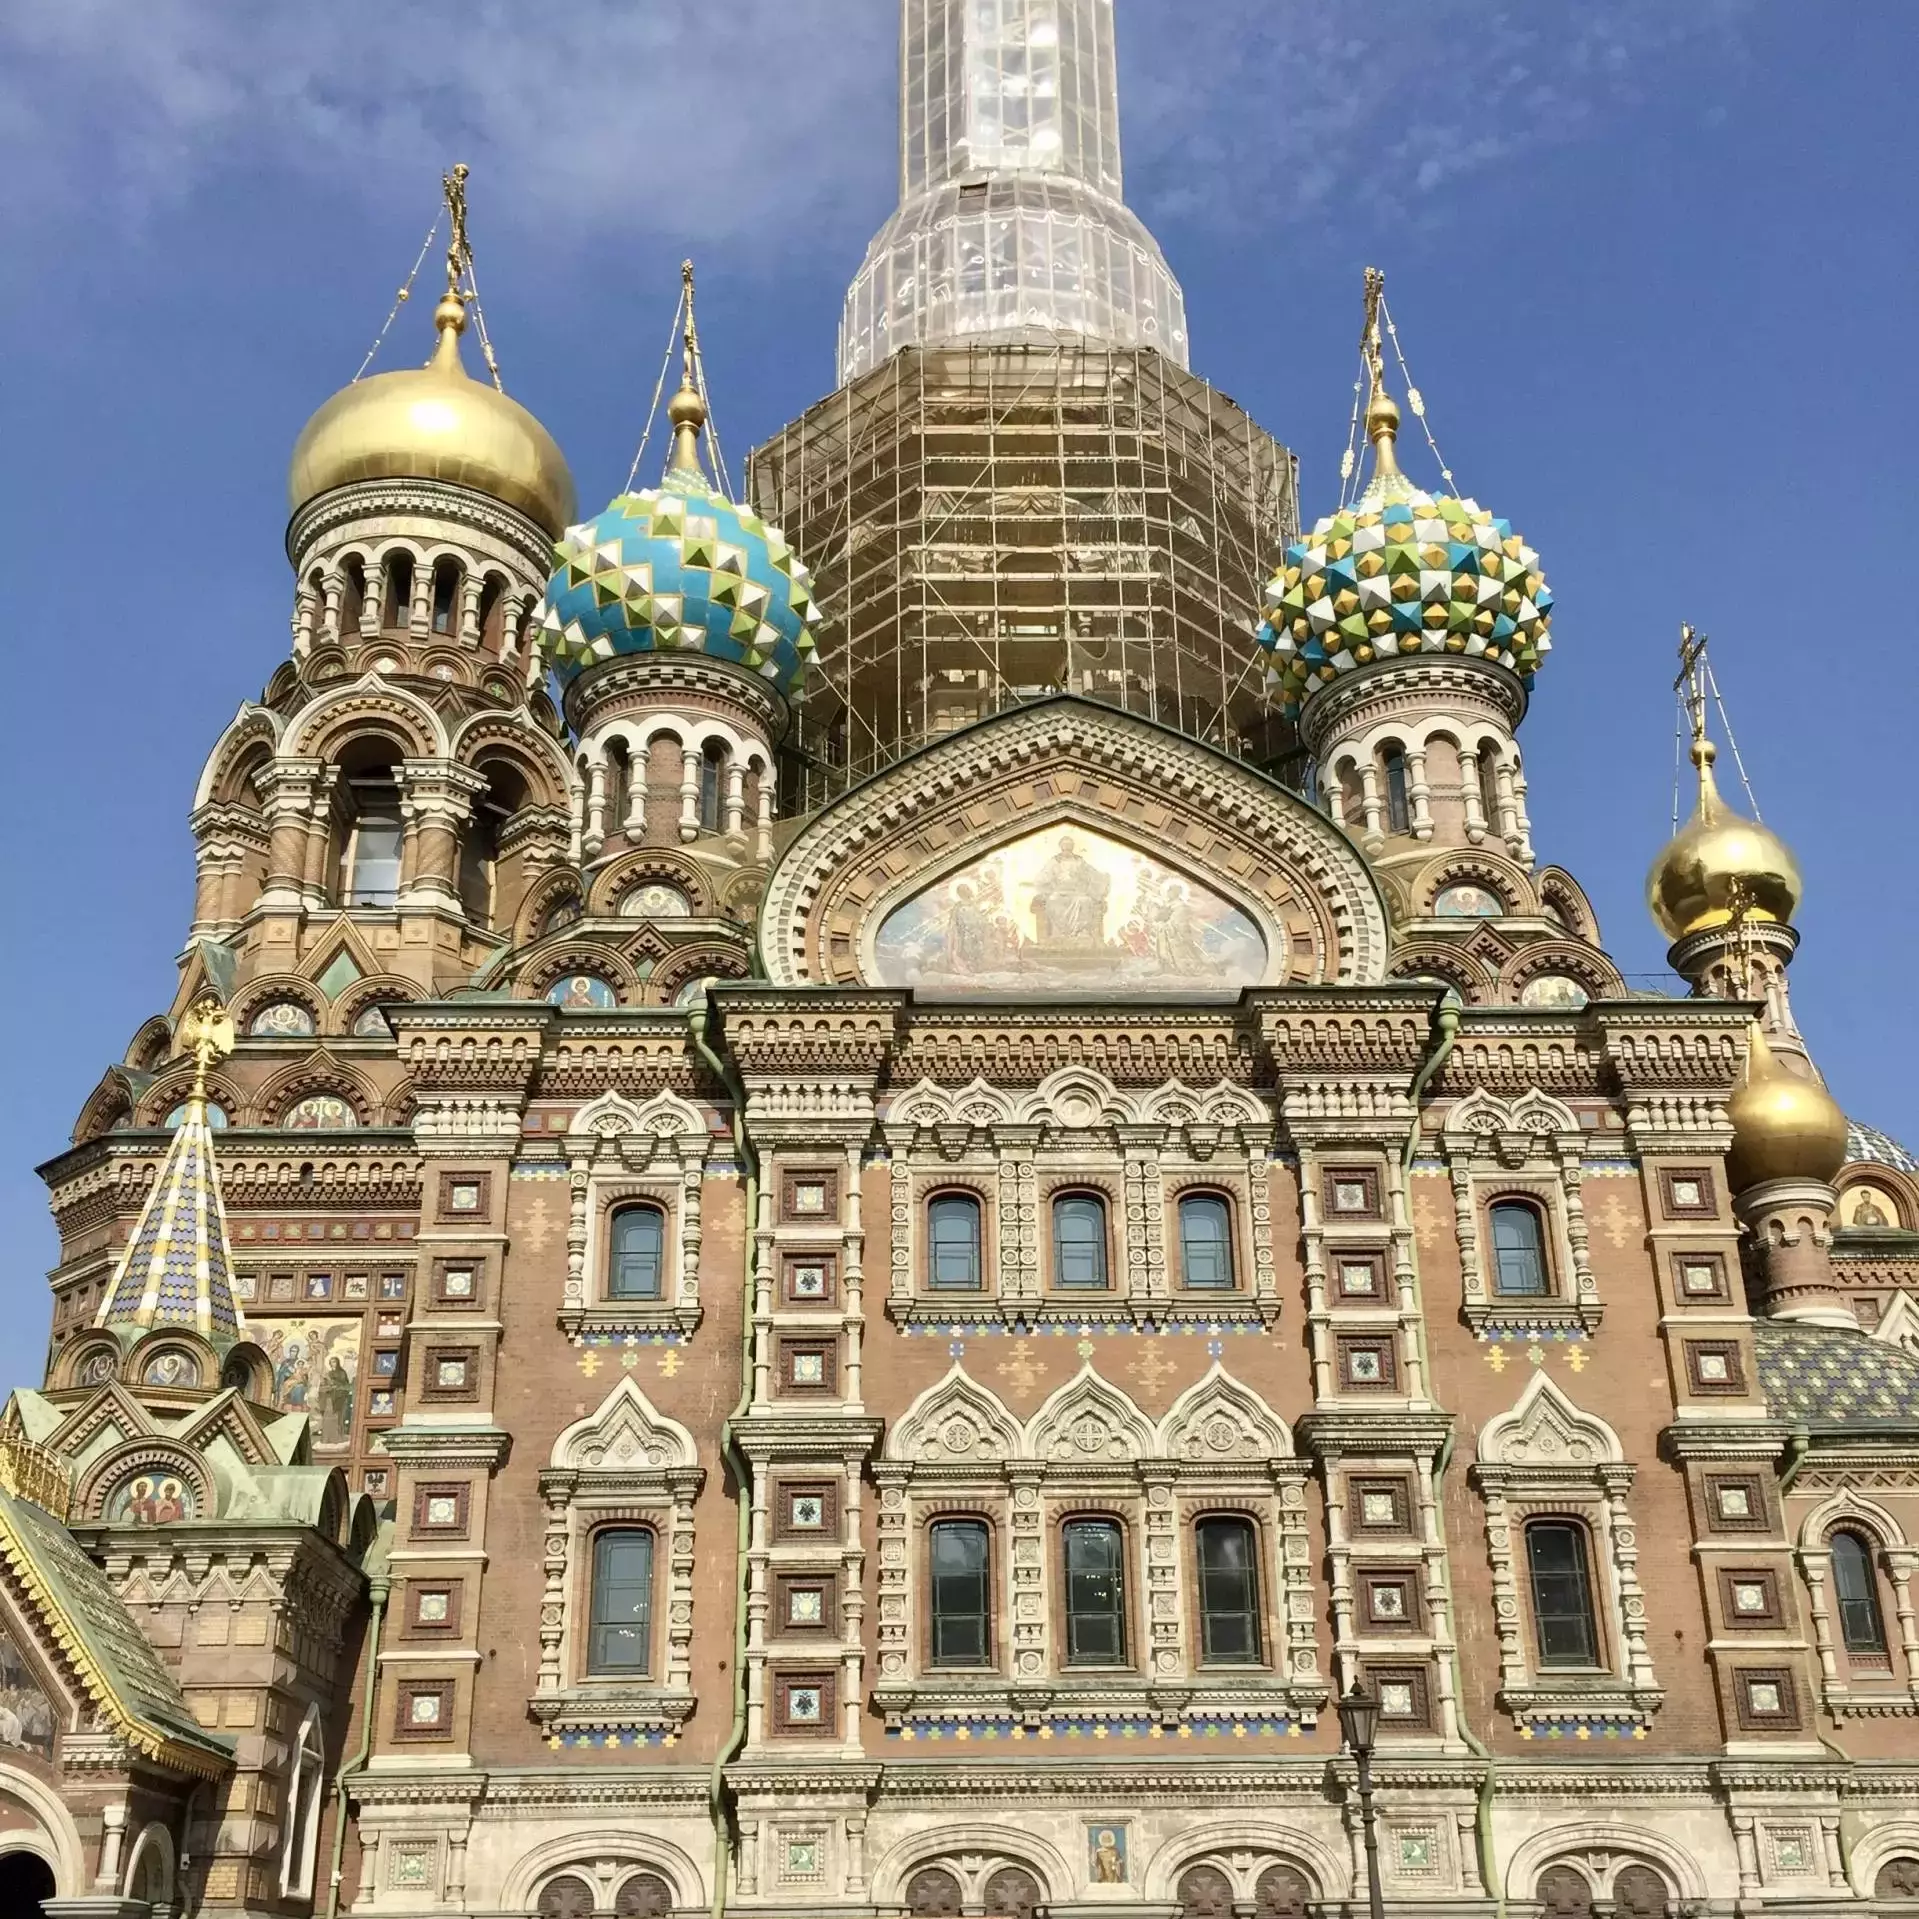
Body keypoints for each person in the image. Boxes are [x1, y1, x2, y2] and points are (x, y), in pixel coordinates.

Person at [1028, 834, 1110, 947]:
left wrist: (1103, 877)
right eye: (1064, 845)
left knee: (1085, 901)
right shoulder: (1054, 861)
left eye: (1069, 845)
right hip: (1058, 892)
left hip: (1077, 891)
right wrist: (1049, 881)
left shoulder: (1079, 860)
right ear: (1061, 846)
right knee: (1053, 900)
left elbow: (1091, 874)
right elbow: (1043, 876)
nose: (1067, 848)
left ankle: (1081, 932)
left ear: (1072, 847)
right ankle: (1058, 933)